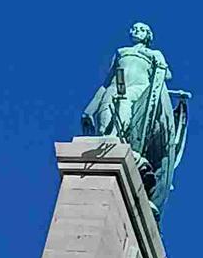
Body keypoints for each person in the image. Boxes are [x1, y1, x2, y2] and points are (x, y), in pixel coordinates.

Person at [81, 22, 191, 212]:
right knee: (104, 131)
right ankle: (129, 160)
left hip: (137, 90)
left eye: (142, 29)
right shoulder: (121, 51)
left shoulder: (153, 54)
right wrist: (89, 109)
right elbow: (106, 83)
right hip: (116, 88)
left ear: (148, 35)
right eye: (134, 29)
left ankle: (134, 158)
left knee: (120, 128)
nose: (136, 31)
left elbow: (165, 76)